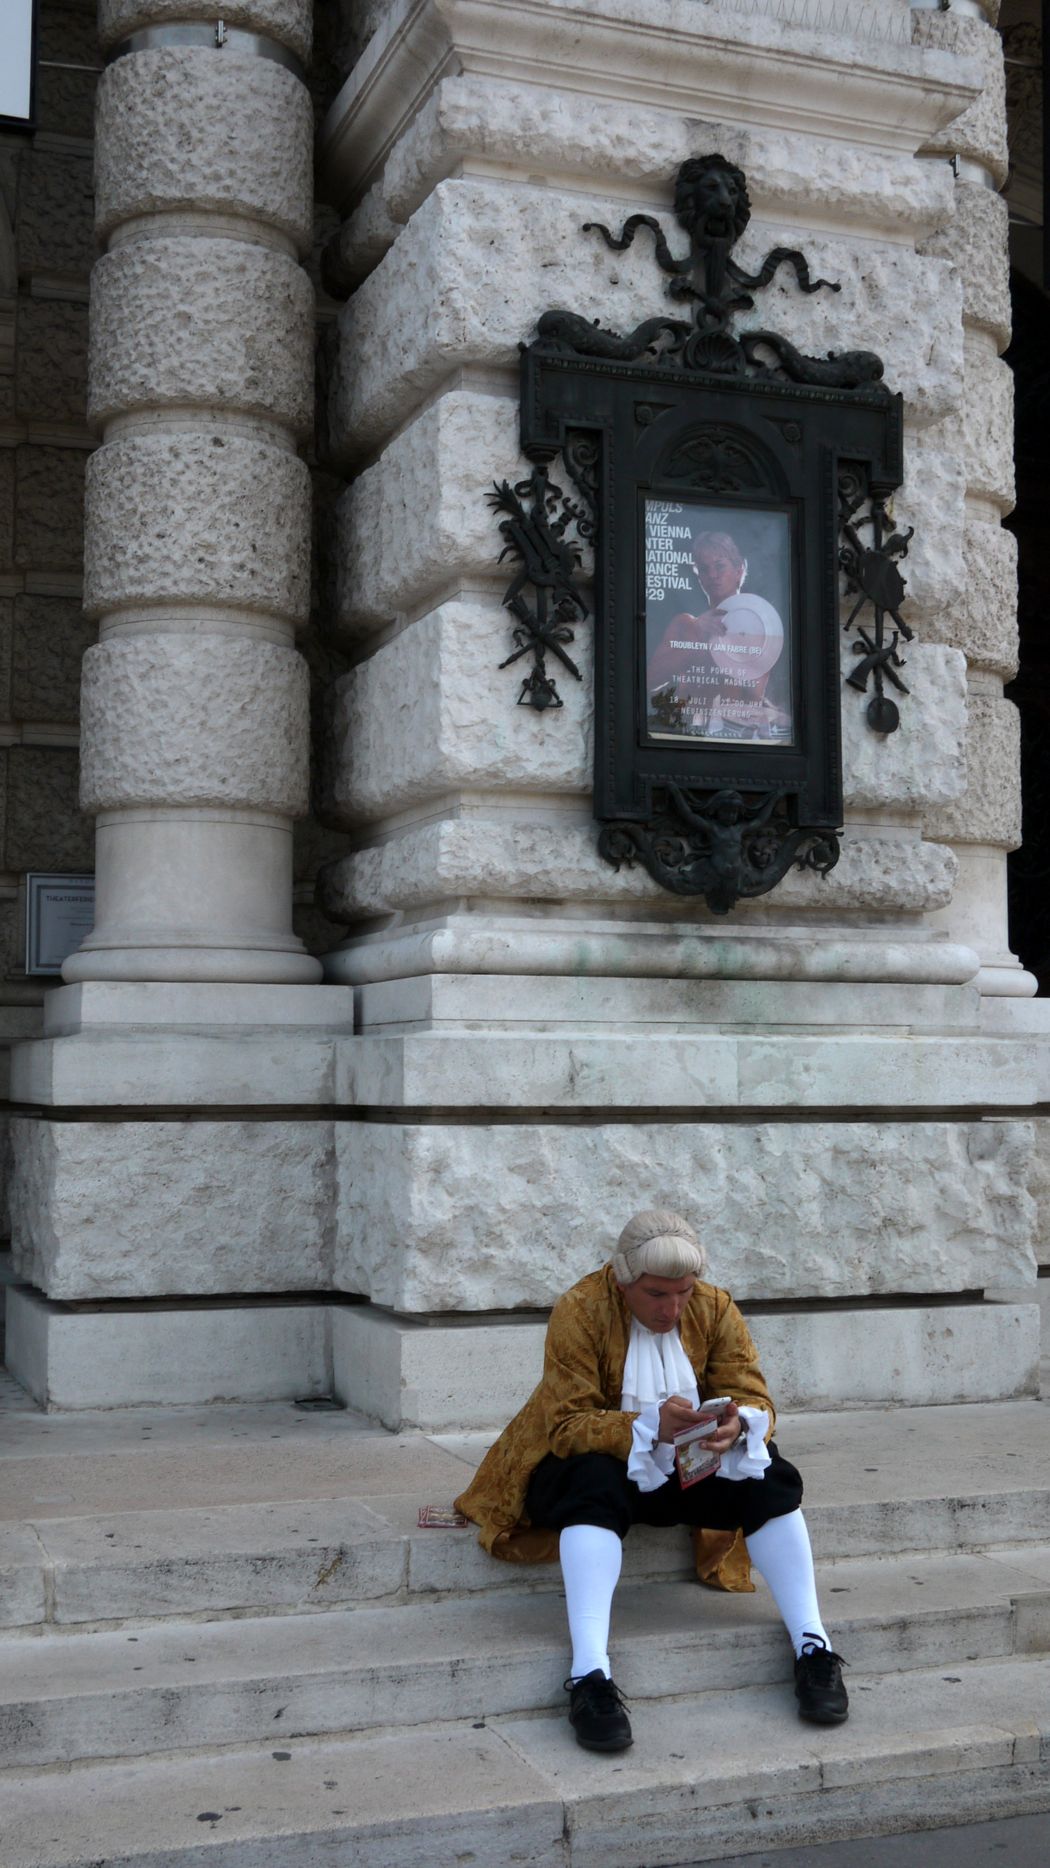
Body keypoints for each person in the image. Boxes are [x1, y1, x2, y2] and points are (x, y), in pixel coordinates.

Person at [454, 1209, 848, 1753]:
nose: (673, 1308)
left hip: (682, 1473)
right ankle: (590, 1674)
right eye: (657, 1294)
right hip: (592, 1470)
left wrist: (737, 1424)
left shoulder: (715, 1306)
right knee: (591, 1479)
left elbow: (754, 1395)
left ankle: (814, 1647)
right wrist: (643, 1426)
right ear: (623, 1281)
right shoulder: (581, 1308)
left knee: (770, 1473)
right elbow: (566, 1425)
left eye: (683, 1292)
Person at [647, 531, 790, 740]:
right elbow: (649, 681)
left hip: (743, 740)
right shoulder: (686, 625)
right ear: (699, 576)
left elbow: (769, 697)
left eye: (720, 566)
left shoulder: (766, 630)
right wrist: (697, 634)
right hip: (685, 735)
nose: (712, 575)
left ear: (739, 570)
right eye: (704, 569)